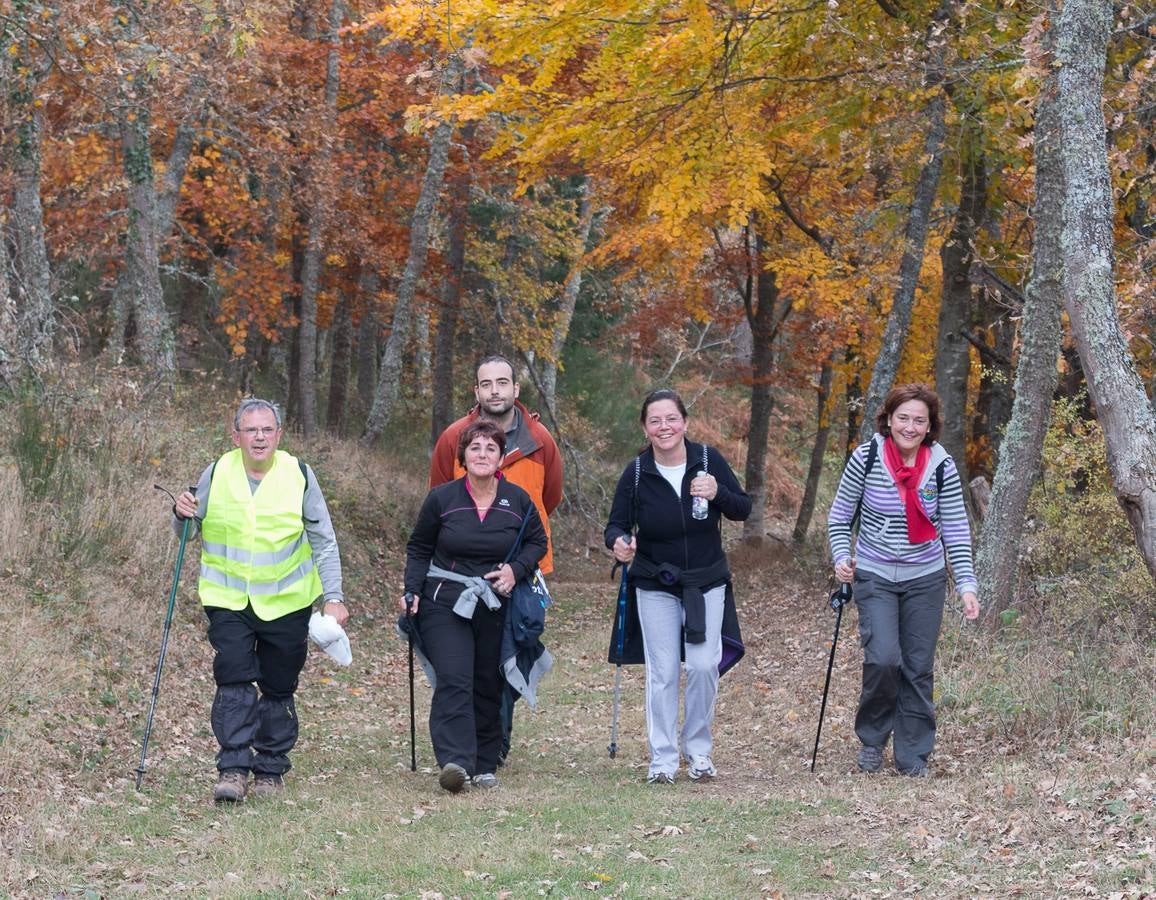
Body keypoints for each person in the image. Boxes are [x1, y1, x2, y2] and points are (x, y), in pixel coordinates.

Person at [172, 398, 348, 803]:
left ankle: (269, 769)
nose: (259, 437)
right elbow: (187, 534)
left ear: (279, 435)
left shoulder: (299, 475)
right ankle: (232, 767)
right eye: (250, 430)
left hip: (287, 602)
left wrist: (334, 596)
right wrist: (181, 514)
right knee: (232, 676)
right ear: (236, 436)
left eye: (267, 429)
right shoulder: (216, 472)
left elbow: (324, 540)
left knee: (278, 685)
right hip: (228, 598)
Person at [827, 383, 979, 778]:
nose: (910, 427)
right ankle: (873, 740)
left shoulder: (940, 465)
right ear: (889, 420)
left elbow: (957, 529)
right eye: (903, 418)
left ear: (930, 426)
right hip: (875, 573)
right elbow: (840, 516)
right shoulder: (866, 458)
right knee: (883, 659)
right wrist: (842, 557)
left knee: (917, 666)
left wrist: (966, 585)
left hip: (925, 578)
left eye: (919, 420)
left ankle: (912, 753)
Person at [604, 388, 751, 784]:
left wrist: (717, 492)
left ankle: (698, 752)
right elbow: (615, 525)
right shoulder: (636, 472)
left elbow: (743, 508)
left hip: (706, 581)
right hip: (654, 581)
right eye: (655, 420)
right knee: (664, 671)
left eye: (671, 418)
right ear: (645, 428)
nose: (664, 427)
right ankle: (663, 760)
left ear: (684, 422)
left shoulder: (708, 460)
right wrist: (619, 543)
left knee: (704, 667)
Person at [429, 354, 563, 763]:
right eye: (486, 384)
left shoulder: (540, 439)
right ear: (476, 391)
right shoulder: (455, 437)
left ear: (515, 389)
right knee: (470, 660)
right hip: (464, 573)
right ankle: (476, 747)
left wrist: (518, 556)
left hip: (525, 569)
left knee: (514, 648)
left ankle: (497, 740)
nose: (495, 391)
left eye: (502, 383)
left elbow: (550, 498)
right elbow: (438, 497)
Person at [402, 419, 547, 793]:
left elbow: (537, 543)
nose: (483, 455)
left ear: (501, 458)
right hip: (443, 601)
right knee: (454, 677)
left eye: (491, 449)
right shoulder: (442, 499)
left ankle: (485, 763)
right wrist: (412, 590)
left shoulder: (517, 501)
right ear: (463, 455)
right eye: (475, 448)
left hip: (495, 603)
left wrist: (516, 570)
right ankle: (456, 763)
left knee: (487, 679)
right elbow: (419, 547)